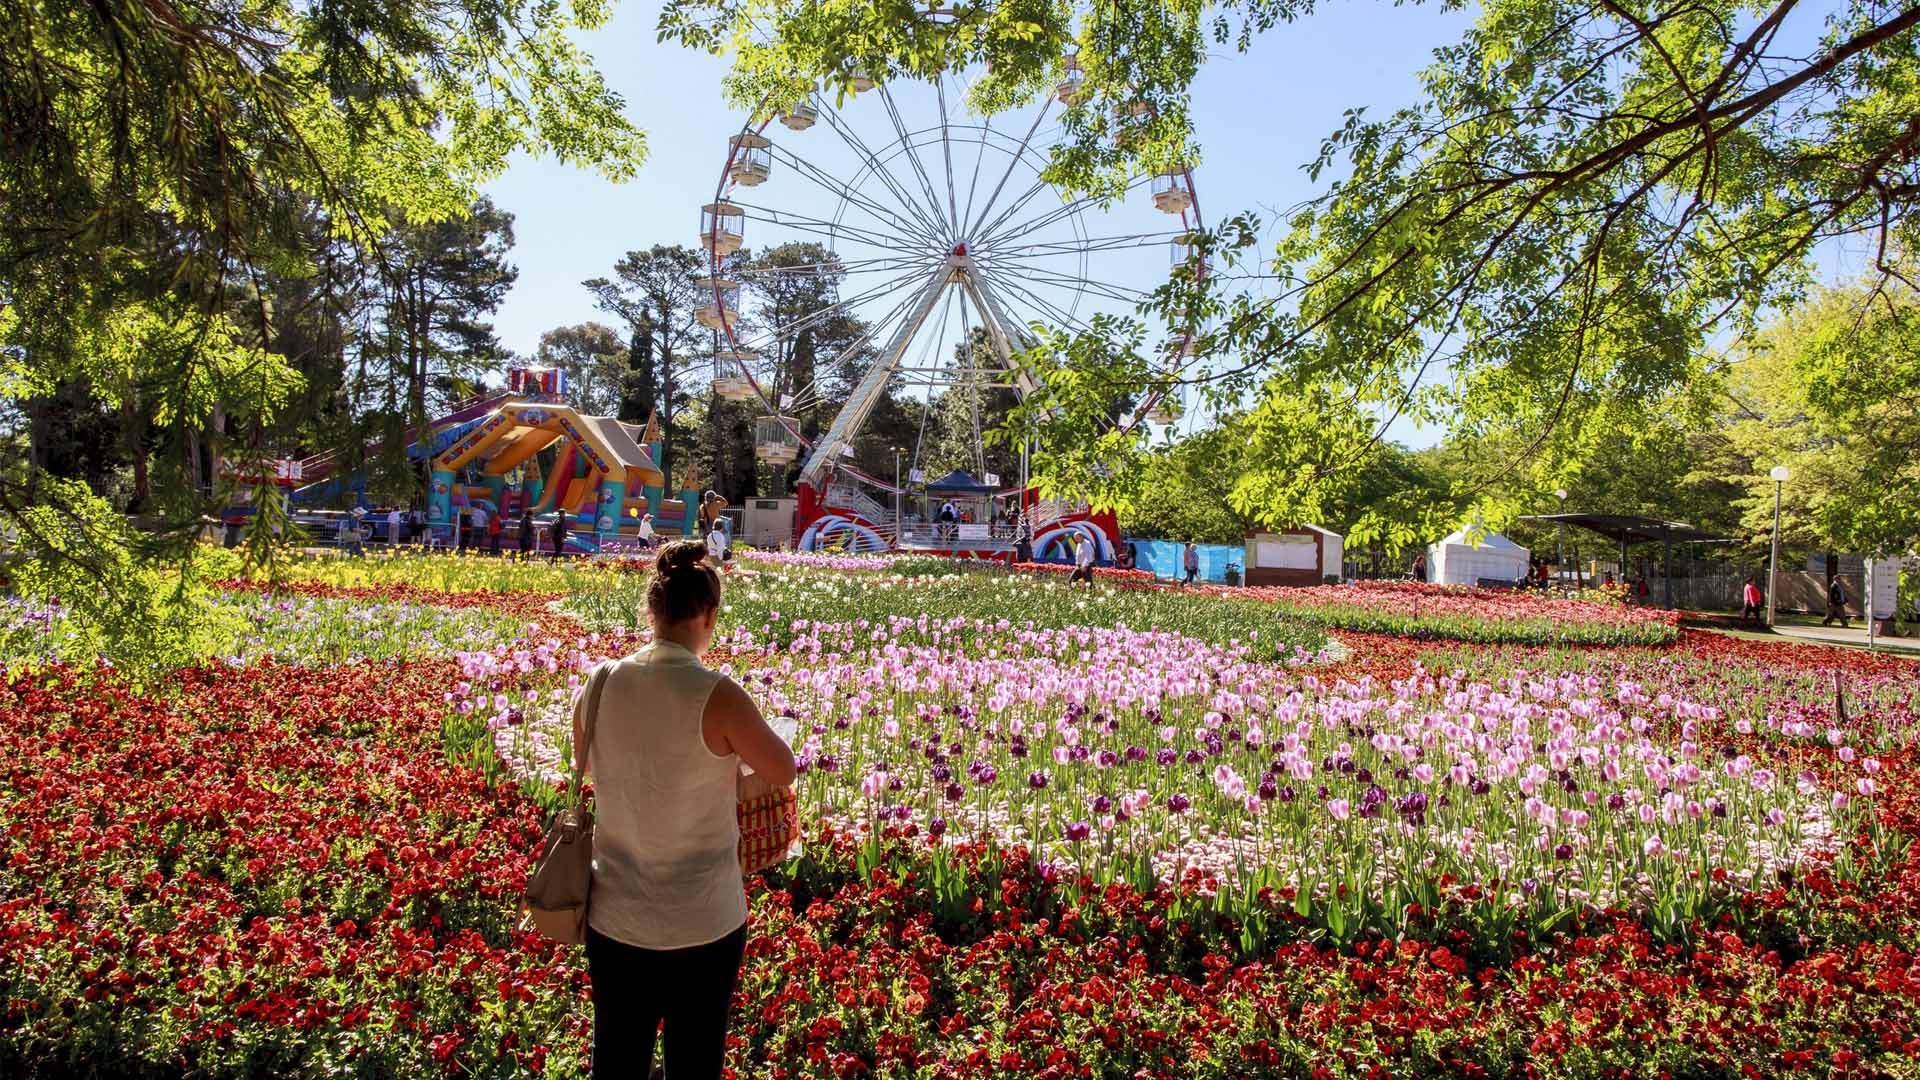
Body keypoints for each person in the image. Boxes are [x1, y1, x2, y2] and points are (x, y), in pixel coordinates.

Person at [572, 541, 797, 1080]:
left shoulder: (600, 683)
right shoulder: (718, 694)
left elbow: (585, 763)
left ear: (651, 609)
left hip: (616, 915)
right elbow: (783, 769)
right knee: (694, 1066)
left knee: (617, 1062)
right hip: (703, 920)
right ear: (710, 614)